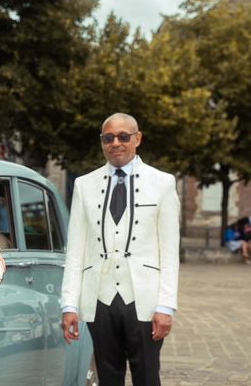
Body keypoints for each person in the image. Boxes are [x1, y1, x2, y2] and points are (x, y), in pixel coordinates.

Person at [60, 113, 180, 386]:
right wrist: (69, 304)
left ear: (137, 139)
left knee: (147, 377)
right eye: (108, 137)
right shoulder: (84, 185)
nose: (116, 143)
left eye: (123, 136)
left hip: (145, 300)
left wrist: (166, 306)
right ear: (102, 142)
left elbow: (170, 252)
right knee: (108, 377)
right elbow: (76, 250)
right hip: (99, 298)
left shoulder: (162, 183)